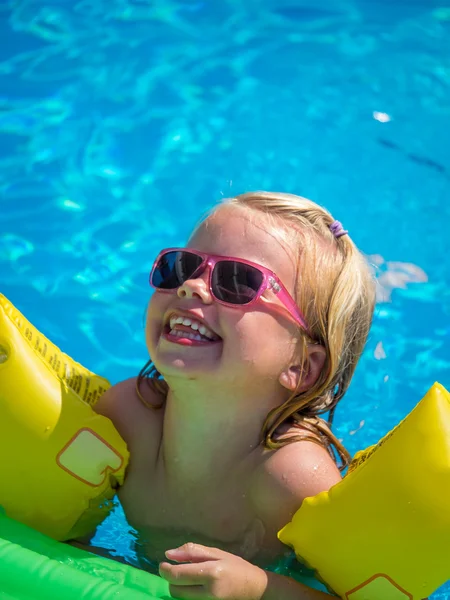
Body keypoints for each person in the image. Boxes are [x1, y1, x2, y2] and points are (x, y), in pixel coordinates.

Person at [78, 191, 376, 599]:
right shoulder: (126, 418)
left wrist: (260, 589)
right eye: (180, 267)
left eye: (237, 281)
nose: (191, 287)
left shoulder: (291, 481)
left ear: (300, 367)